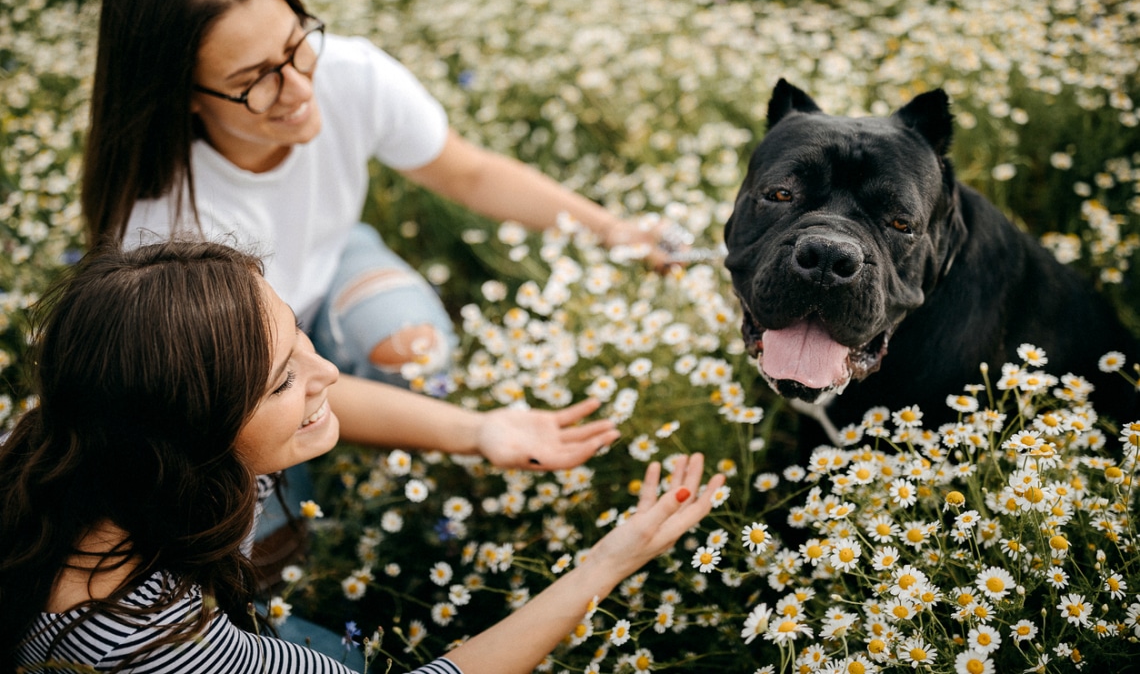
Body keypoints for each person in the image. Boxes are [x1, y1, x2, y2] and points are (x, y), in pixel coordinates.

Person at [1, 241, 724, 673]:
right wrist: (607, 563)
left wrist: (479, 430)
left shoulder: (76, 435)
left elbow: (312, 412)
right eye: (283, 378)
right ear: (195, 433)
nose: (328, 376)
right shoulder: (151, 641)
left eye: (297, 335)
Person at [81, 0, 681, 387]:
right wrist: (481, 435)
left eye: (296, 44)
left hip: (332, 261)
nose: (299, 87)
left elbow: (469, 174)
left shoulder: (349, 71)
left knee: (416, 358)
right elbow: (270, 386)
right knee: (250, 491)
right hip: (238, 368)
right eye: (255, 77)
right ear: (181, 95)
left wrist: (612, 231)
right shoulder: (161, 229)